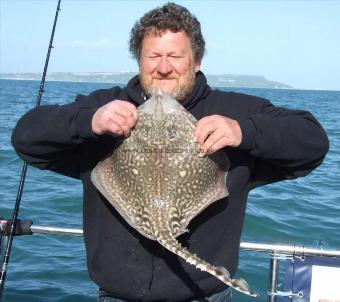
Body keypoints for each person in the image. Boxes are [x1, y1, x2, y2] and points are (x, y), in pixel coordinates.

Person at [11, 2, 329, 301]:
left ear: (197, 59)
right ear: (139, 59)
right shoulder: (104, 106)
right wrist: (89, 120)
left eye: (175, 56)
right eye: (153, 56)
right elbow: (26, 138)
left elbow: (312, 142)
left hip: (205, 294)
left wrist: (242, 131)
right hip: (117, 294)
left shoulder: (234, 111)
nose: (164, 68)